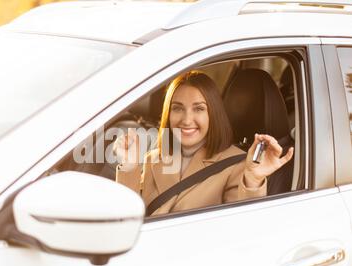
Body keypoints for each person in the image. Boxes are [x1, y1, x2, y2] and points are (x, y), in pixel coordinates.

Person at [114, 71, 294, 216]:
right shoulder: (152, 158)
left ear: (213, 114)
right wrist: (130, 166)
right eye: (177, 108)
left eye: (199, 109)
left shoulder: (237, 165)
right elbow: (124, 221)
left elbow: (243, 231)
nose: (186, 120)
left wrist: (254, 180)